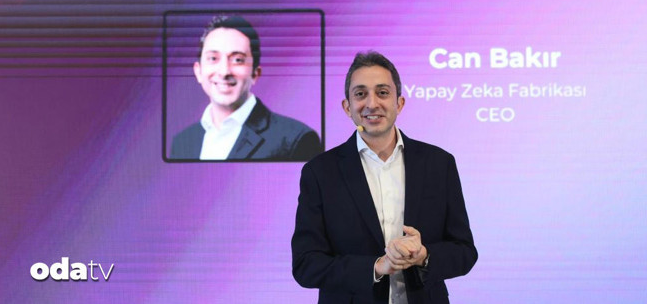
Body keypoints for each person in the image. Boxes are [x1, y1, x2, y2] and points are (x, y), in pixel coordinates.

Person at [292, 51, 477, 303]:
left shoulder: (439, 164)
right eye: (360, 94)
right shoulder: (320, 172)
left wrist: (424, 256)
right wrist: (377, 267)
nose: (372, 103)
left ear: (399, 103)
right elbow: (306, 265)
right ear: (347, 107)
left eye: (382, 92)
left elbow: (464, 252)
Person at [170, 15, 321, 161]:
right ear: (198, 71)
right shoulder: (182, 142)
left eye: (237, 60)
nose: (224, 71)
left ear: (255, 73)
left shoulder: (296, 140)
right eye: (213, 58)